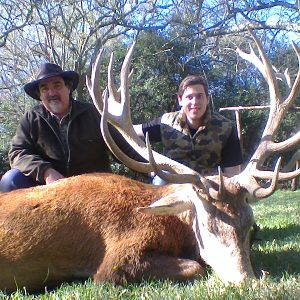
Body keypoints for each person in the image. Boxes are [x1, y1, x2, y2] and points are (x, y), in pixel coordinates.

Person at [0, 62, 127, 192]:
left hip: (94, 190)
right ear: (40, 95)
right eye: (45, 88)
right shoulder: (31, 118)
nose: (52, 93)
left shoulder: (94, 114)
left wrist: (148, 170)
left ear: (69, 87)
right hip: (50, 191)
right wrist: (46, 172)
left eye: (57, 85)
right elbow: (17, 153)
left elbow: (123, 148)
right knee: (11, 180)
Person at [133, 75, 243, 184]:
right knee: (160, 180)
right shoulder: (166, 123)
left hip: (209, 186)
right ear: (180, 100)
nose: (195, 102)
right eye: (189, 97)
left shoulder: (226, 128)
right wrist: (147, 166)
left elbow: (233, 175)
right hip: (173, 183)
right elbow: (130, 133)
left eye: (199, 96)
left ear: (207, 99)